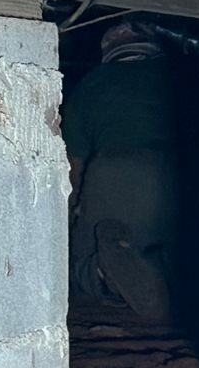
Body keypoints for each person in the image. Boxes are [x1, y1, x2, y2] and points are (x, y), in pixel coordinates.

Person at [62, 20, 181, 326]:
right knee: (174, 250)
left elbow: (74, 167)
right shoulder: (178, 78)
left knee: (82, 263)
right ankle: (159, 271)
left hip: (113, 174)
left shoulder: (92, 84)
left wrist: (72, 214)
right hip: (177, 176)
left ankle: (106, 272)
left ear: (108, 51)